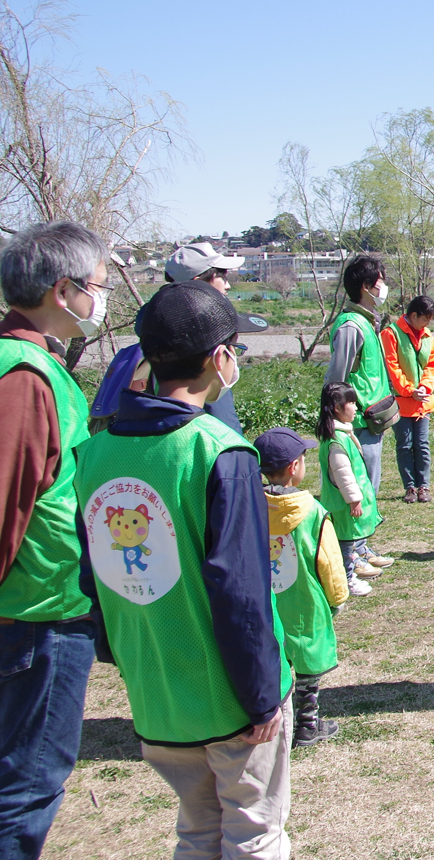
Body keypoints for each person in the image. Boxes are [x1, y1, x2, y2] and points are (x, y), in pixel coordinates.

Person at [73, 281, 292, 860]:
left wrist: (120, 652)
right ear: (220, 358)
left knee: (196, 831)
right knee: (255, 831)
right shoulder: (219, 451)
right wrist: (263, 695)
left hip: (156, 692)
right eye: (236, 349)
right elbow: (241, 590)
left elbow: (93, 573)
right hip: (230, 697)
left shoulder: (93, 454)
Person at [0, 221, 106, 859]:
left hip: (39, 609)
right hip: (34, 614)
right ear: (62, 291)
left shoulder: (31, 363)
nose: (102, 298)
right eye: (96, 285)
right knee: (27, 783)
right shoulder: (24, 377)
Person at [93, 240, 268, 435]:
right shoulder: (200, 348)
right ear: (197, 284)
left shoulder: (151, 340)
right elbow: (226, 428)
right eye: (221, 277)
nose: (227, 286)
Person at [254, 427, 346, 748]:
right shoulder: (314, 513)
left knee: (277, 661)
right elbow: (330, 564)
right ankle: (307, 724)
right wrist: (337, 599)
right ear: (295, 467)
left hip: (266, 604)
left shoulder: (249, 509)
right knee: (307, 662)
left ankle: (282, 721)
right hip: (305, 603)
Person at [325, 254, 395, 571]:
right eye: (380, 281)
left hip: (372, 420)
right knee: (355, 488)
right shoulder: (351, 326)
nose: (384, 287)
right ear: (367, 287)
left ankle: (362, 547)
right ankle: (350, 554)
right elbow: (336, 380)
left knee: (368, 487)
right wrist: (338, 420)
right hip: (358, 422)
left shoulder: (367, 321)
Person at [316, 382, 383, 596]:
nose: (356, 407)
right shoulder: (337, 440)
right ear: (337, 407)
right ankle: (347, 580)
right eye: (352, 403)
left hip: (343, 503)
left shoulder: (341, 433)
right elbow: (342, 474)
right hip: (343, 505)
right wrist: (354, 499)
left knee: (347, 542)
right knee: (344, 544)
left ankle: (350, 571)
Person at [380, 294, 434, 504]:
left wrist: (425, 387)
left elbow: (433, 366)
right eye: (425, 319)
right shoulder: (390, 334)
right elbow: (392, 367)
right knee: (405, 445)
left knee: (422, 444)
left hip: (422, 402)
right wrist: (409, 390)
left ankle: (424, 486)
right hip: (401, 402)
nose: (427, 323)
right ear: (413, 315)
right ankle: (410, 488)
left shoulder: (427, 336)